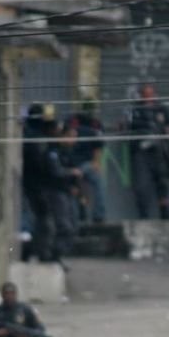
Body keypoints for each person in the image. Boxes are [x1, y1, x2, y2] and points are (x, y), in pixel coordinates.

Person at [126, 84, 169, 220]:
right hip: (141, 152)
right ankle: (143, 215)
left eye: (151, 94)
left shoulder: (162, 109)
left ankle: (165, 212)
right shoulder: (135, 109)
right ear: (142, 95)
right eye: (145, 94)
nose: (148, 97)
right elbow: (128, 127)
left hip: (160, 151)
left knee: (163, 182)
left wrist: (167, 130)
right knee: (142, 185)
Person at [43, 122, 82, 265]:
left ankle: (60, 255)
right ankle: (55, 256)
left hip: (67, 193)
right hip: (56, 192)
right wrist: (71, 173)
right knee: (64, 226)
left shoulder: (69, 152)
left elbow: (74, 170)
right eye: (71, 136)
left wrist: (75, 184)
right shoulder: (53, 151)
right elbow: (55, 171)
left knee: (73, 226)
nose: (73, 140)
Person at [21, 102, 56, 262]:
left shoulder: (29, 135)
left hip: (32, 185)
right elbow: (43, 165)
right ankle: (40, 253)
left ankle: (36, 252)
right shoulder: (36, 139)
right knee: (41, 222)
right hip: (37, 186)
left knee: (36, 222)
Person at [65, 99, 106, 223]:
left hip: (82, 164)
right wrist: (96, 162)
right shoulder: (75, 121)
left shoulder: (94, 124)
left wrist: (96, 163)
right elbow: (98, 147)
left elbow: (98, 146)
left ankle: (89, 213)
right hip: (74, 163)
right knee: (88, 186)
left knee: (89, 186)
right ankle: (92, 214)